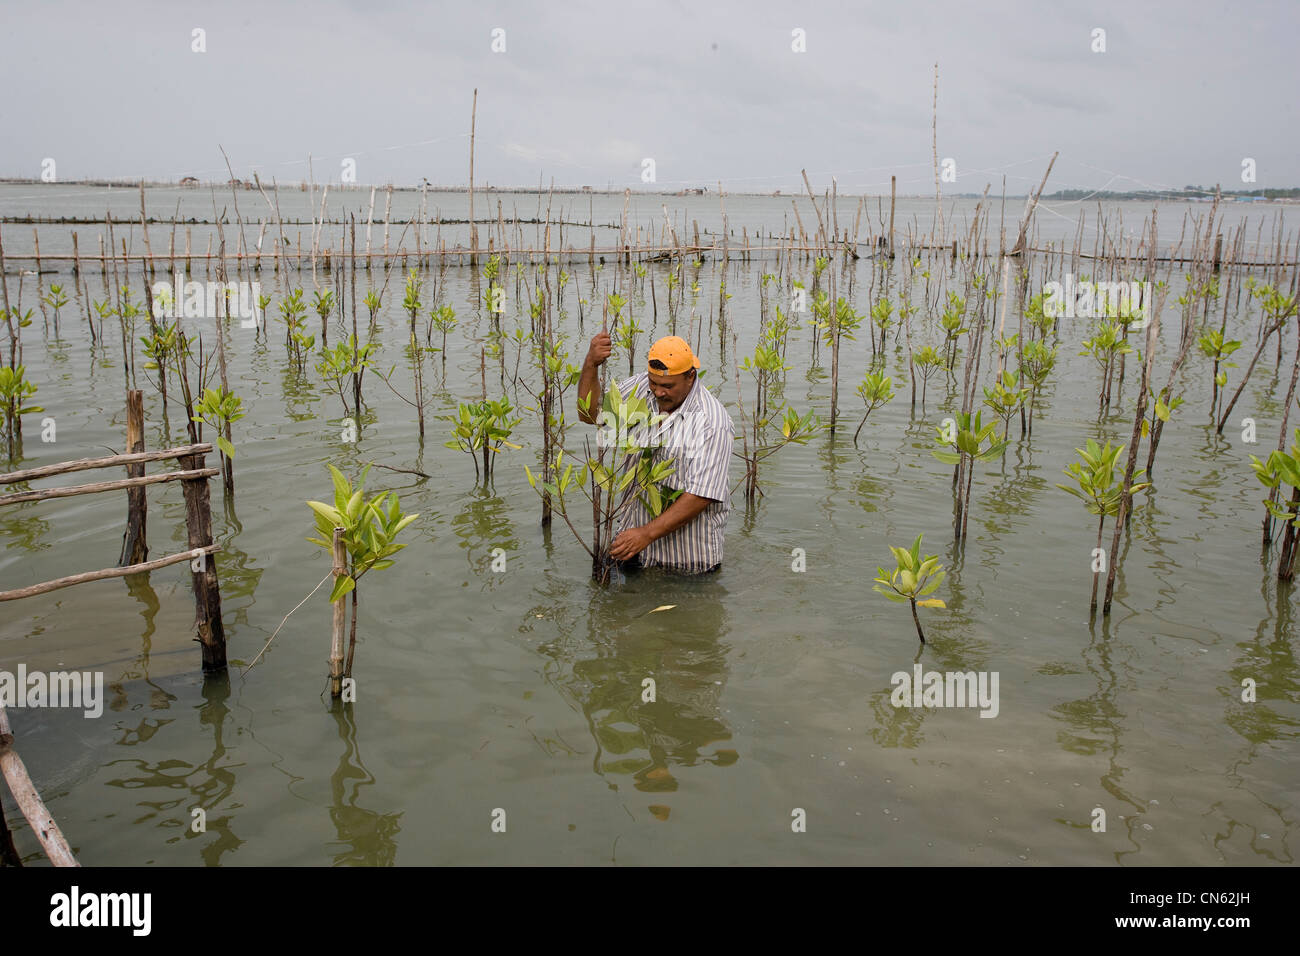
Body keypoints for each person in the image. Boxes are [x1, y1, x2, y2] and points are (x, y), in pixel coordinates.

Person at [578, 332, 734, 574]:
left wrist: (646, 534)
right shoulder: (642, 387)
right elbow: (589, 415)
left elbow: (701, 495)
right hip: (634, 550)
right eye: (654, 383)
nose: (658, 392)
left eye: (668, 386)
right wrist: (590, 364)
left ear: (691, 376)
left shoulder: (711, 421)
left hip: (687, 563)